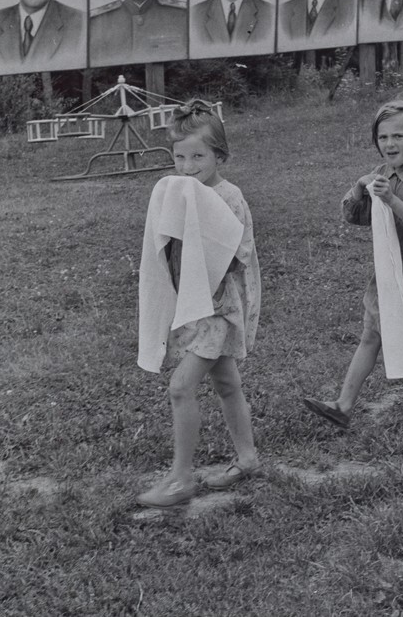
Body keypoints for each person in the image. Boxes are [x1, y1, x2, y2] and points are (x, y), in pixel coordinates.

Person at [303, 100, 403, 427]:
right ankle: (343, 405)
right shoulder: (380, 174)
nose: (389, 144)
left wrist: (391, 198)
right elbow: (353, 216)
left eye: (398, 136)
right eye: (383, 137)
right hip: (388, 271)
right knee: (372, 334)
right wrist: (360, 189)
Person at [137, 100, 261, 508]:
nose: (188, 166)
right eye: (179, 157)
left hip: (218, 308)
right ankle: (247, 457)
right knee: (226, 383)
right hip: (194, 307)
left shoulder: (229, 197)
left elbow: (234, 253)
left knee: (180, 387)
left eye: (198, 156)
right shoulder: (179, 191)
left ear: (219, 155)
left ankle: (180, 479)